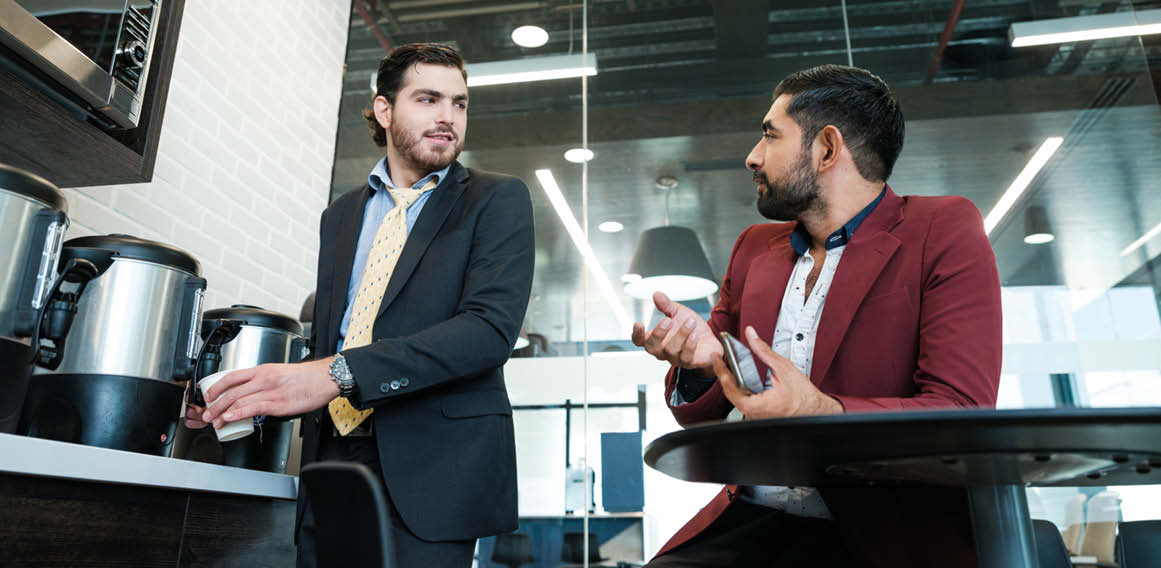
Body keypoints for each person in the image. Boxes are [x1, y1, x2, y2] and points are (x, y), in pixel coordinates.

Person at [630, 64, 1002, 567]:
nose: (752, 157)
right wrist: (699, 367)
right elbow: (710, 403)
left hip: (882, 530)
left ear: (827, 149)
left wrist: (822, 411)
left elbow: (960, 410)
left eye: (769, 135)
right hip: (755, 518)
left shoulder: (942, 229)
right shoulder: (753, 247)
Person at [187, 43, 534, 568]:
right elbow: (335, 344)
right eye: (429, 99)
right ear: (384, 109)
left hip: (432, 471)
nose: (448, 118)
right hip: (330, 459)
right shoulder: (341, 214)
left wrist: (341, 373)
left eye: (459, 104)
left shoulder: (496, 199)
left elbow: (488, 332)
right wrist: (240, 398)